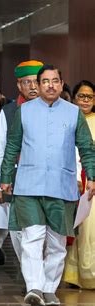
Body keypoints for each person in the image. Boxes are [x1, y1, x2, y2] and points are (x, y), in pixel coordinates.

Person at [0, 65, 95, 306]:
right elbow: (12, 146)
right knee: (32, 237)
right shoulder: (24, 112)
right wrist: (6, 176)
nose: (50, 85)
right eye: (45, 81)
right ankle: (34, 286)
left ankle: (49, 288)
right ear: (37, 85)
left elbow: (86, 148)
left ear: (62, 84)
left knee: (57, 242)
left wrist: (91, 177)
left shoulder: (74, 113)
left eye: (55, 81)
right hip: (28, 185)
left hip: (62, 186)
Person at [0, 60, 43, 269]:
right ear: (19, 86)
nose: (32, 87)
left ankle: (38, 277)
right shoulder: (9, 111)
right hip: (16, 180)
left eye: (36, 82)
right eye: (26, 82)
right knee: (18, 232)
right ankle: (30, 275)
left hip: (45, 180)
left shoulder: (55, 109)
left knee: (41, 232)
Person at [63, 80, 95, 288]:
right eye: (81, 96)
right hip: (69, 181)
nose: (85, 100)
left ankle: (90, 274)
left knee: (91, 229)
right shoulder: (67, 119)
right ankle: (77, 276)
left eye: (89, 97)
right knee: (77, 228)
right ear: (74, 98)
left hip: (92, 182)